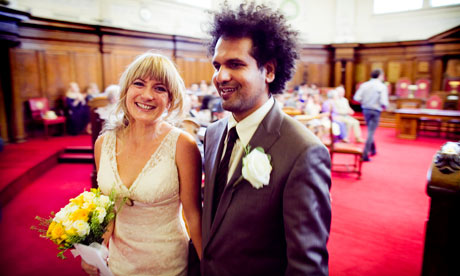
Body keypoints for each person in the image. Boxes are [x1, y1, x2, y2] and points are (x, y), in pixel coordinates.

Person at [201, 2, 331, 275]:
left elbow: (306, 266)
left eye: (235, 64)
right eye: (217, 65)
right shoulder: (213, 134)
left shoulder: (303, 152)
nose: (220, 76)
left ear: (269, 71)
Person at [81, 52, 203, 276]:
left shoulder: (182, 144)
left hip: (168, 264)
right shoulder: (103, 143)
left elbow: (194, 215)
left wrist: (209, 267)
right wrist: (95, 250)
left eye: (160, 88)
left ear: (171, 99)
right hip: (118, 263)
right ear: (126, 90)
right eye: (139, 84)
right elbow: (107, 209)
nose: (147, 95)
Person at [353, 68, 389, 161]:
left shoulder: (364, 85)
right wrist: (385, 107)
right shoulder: (381, 86)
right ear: (380, 75)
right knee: (371, 132)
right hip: (376, 110)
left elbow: (356, 97)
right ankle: (365, 154)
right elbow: (384, 101)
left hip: (366, 110)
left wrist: (364, 102)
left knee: (370, 130)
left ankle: (373, 150)